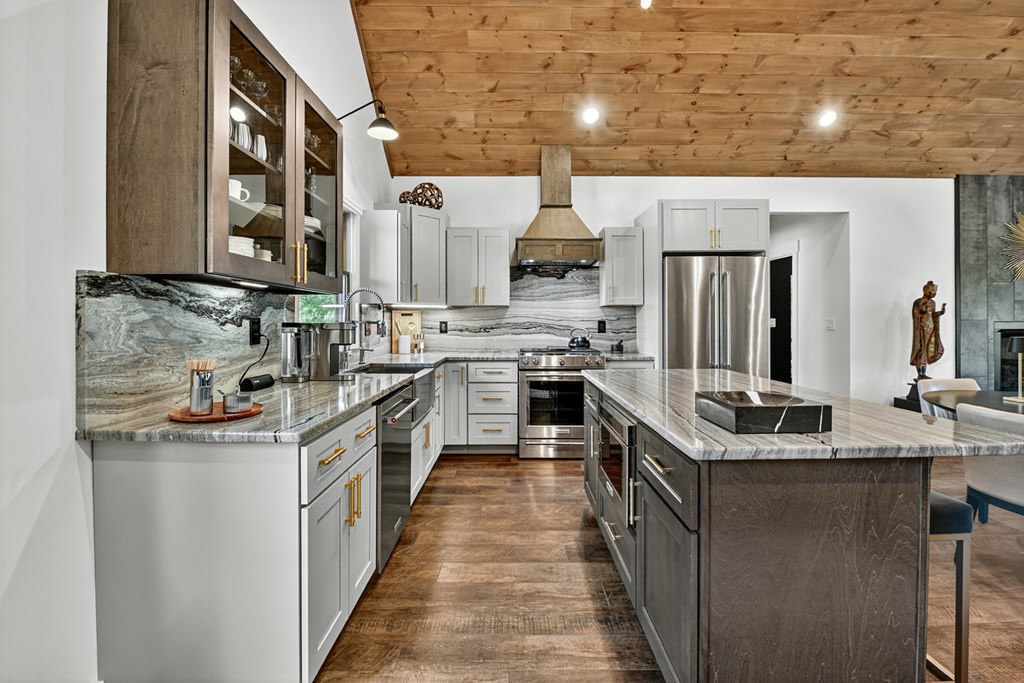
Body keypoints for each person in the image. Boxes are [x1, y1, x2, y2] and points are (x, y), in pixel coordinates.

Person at [910, 280, 946, 380]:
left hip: (930, 328)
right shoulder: (918, 302)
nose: (933, 294)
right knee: (920, 349)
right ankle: (919, 373)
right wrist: (922, 310)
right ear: (926, 291)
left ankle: (924, 373)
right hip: (921, 328)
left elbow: (933, 315)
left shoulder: (932, 303)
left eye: (934, 292)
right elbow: (915, 314)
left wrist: (940, 312)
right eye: (931, 292)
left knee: (927, 349)